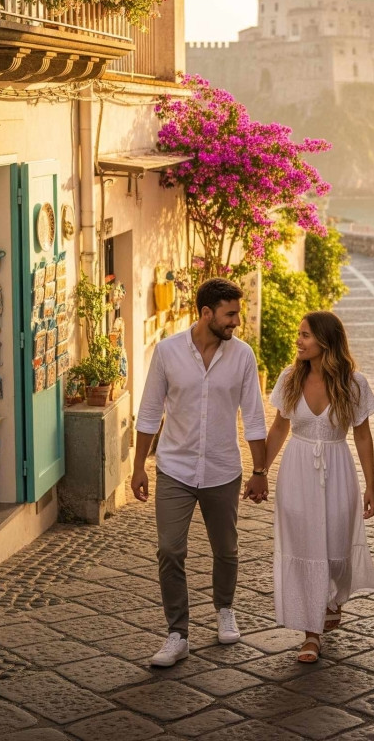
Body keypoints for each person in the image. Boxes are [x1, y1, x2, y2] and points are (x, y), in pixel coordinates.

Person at [133, 277, 268, 668]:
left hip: (223, 470)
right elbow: (149, 412)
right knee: (170, 550)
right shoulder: (167, 352)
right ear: (206, 313)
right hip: (174, 468)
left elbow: (255, 417)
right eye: (229, 315)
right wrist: (140, 465)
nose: (235, 323)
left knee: (226, 549)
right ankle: (177, 633)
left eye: (237, 314)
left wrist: (259, 470)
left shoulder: (242, 356)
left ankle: (225, 609)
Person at [260, 310, 374, 663]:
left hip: (338, 469)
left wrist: (371, 486)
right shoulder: (288, 379)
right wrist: (260, 471)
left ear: (326, 341)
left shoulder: (354, 383)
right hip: (296, 472)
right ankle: (311, 634)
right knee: (304, 546)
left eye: (306, 335)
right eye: (299, 334)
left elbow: (362, 435)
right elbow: (279, 428)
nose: (298, 340)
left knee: (335, 545)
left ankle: (331, 598)